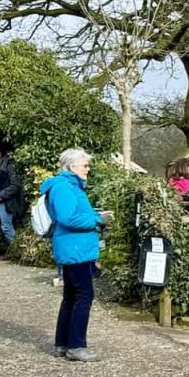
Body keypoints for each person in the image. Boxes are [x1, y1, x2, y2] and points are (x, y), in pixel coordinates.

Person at [40, 148, 114, 362]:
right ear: (72, 166)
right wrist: (98, 220)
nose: (88, 169)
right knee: (84, 296)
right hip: (75, 249)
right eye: (85, 165)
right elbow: (69, 218)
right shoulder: (64, 188)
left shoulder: (69, 186)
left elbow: (75, 214)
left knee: (71, 297)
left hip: (74, 248)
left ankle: (62, 344)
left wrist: (96, 215)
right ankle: (76, 346)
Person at [0, 147, 23, 245]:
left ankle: (16, 250)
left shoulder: (9, 167)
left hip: (5, 202)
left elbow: (16, 185)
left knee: (6, 227)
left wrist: (1, 195)